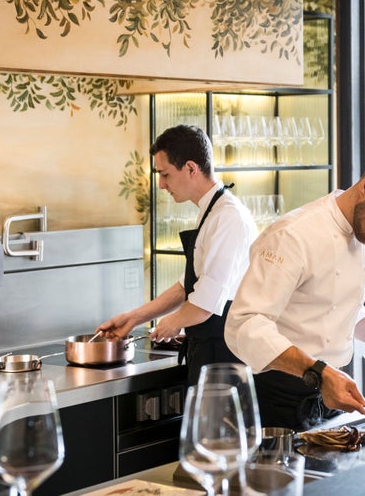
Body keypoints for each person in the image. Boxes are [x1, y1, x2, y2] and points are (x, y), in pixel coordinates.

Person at [224, 149, 365, 430]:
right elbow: (244, 325)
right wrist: (318, 373)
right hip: (278, 400)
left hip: (331, 394)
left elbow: (340, 305)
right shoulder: (292, 235)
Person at [97, 125, 258, 384]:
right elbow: (188, 285)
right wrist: (135, 317)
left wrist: (172, 322)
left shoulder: (228, 217)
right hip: (210, 350)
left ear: (191, 168)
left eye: (165, 174)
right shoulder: (210, 211)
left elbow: (206, 302)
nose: (161, 184)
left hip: (226, 355)